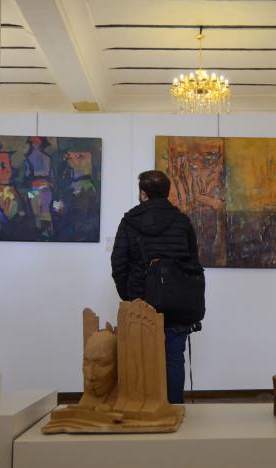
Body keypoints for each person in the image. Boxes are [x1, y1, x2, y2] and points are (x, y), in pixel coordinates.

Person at [110, 170, 200, 404]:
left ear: (143, 194)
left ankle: (146, 409)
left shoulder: (129, 221)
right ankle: (174, 411)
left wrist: (130, 296)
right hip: (177, 302)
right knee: (174, 358)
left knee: (141, 357)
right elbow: (193, 264)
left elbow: (118, 263)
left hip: (141, 301)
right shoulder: (182, 221)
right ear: (167, 191)